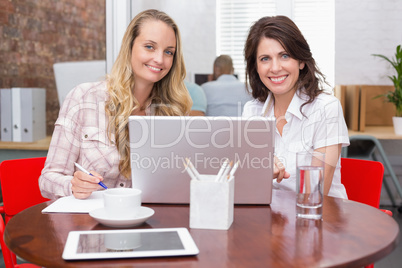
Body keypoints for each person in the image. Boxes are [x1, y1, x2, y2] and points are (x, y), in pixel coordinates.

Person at [39, 9, 192, 200]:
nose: (160, 59)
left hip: (147, 218)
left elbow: (181, 182)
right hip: (89, 220)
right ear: (129, 47)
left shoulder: (174, 112)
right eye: (150, 47)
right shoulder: (84, 98)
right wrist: (73, 185)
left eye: (169, 52)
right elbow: (47, 179)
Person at [242, 16, 349, 198]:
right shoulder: (251, 111)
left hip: (318, 218)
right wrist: (258, 173)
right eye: (265, 58)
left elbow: (315, 191)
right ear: (256, 67)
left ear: (301, 61)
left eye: (285, 56)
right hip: (271, 218)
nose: (275, 68)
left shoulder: (326, 108)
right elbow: (244, 186)